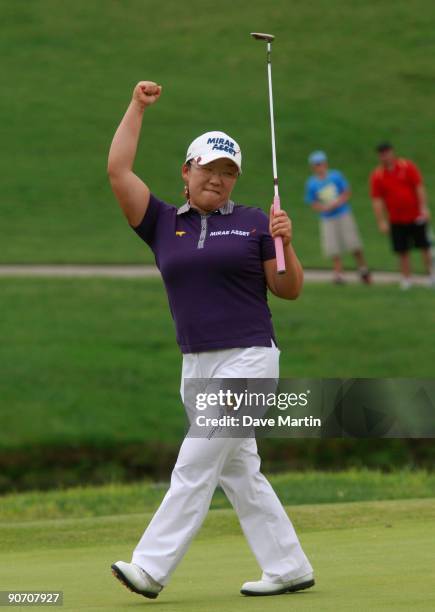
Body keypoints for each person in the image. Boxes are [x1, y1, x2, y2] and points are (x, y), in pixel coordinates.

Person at [107, 81, 315, 599]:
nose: (217, 180)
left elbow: (287, 290)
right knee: (239, 470)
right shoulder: (160, 224)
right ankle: (289, 566)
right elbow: (118, 171)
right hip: (195, 365)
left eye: (228, 173)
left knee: (195, 461)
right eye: (209, 169)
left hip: (249, 357)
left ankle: (150, 567)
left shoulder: (253, 222)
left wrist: (287, 242)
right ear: (187, 171)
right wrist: (136, 106)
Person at [370, 142, 434, 289]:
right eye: (381, 154)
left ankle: (431, 275)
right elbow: (377, 200)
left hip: (415, 215)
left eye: (386, 152)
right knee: (402, 250)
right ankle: (406, 278)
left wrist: (424, 207)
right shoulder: (378, 175)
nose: (385, 156)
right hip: (396, 218)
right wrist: (381, 221)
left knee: (425, 247)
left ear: (392, 152)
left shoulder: (407, 167)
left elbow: (419, 187)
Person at [305, 151, 371, 284]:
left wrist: (338, 202)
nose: (320, 167)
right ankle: (339, 273)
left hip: (343, 213)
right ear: (313, 167)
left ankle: (363, 269)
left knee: (353, 243)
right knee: (333, 247)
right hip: (327, 217)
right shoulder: (312, 183)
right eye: (316, 165)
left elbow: (346, 191)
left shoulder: (335, 176)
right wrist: (323, 208)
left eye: (321, 163)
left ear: (325, 164)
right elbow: (312, 202)